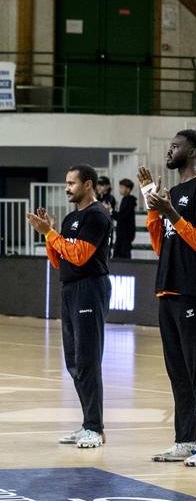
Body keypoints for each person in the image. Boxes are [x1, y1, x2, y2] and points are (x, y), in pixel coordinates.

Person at [138, 130, 196, 466]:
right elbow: (162, 245)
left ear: (192, 151)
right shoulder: (173, 192)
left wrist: (172, 212)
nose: (170, 149)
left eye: (176, 145)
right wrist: (154, 206)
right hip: (169, 289)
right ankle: (187, 439)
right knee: (179, 372)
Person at [25, 164, 111, 449]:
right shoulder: (72, 218)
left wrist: (50, 233)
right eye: (66, 183)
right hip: (70, 290)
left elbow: (80, 255)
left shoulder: (97, 216)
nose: (67, 188)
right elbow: (60, 260)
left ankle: (95, 429)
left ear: (88, 185)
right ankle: (88, 423)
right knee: (74, 361)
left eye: (72, 183)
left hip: (89, 289)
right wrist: (48, 234)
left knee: (88, 359)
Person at [113, 178, 136, 259]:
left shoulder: (129, 200)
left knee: (123, 256)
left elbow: (122, 216)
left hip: (125, 234)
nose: (120, 189)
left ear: (128, 189)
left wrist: (111, 211)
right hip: (122, 233)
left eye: (122, 187)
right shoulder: (126, 200)